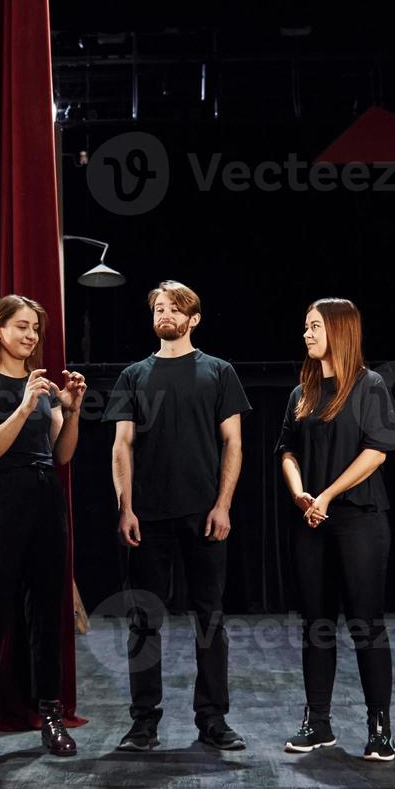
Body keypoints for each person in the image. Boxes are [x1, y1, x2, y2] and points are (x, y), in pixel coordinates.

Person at [104, 281, 251, 752]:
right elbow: (121, 444)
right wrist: (125, 507)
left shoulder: (219, 372)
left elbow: (234, 443)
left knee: (209, 618)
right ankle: (143, 722)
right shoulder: (134, 375)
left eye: (175, 308)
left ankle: (212, 720)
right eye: (159, 308)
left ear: (194, 318)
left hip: (204, 514)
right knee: (144, 621)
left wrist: (223, 504)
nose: (165, 313)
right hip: (147, 517)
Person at [0, 295, 85, 762]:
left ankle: (50, 716)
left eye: (36, 329)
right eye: (23, 327)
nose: (31, 337)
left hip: (44, 498)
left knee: (47, 614)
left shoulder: (45, 388)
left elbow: (62, 453)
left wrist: (70, 410)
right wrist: (26, 401)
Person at [277, 298, 395, 761]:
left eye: (314, 327)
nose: (307, 334)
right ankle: (318, 722)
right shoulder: (301, 393)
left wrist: (327, 494)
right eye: (305, 326)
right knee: (316, 625)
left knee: (367, 625)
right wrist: (300, 494)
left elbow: (377, 451)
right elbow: (286, 450)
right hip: (311, 520)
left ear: (339, 330)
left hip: (359, 519)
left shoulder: (369, 386)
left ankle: (380, 727)